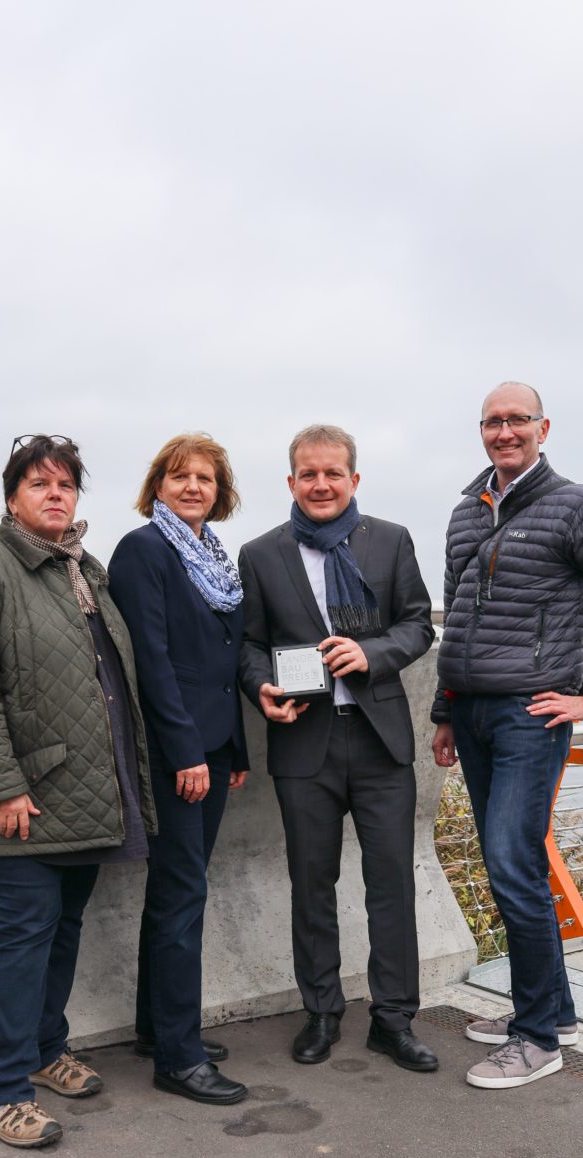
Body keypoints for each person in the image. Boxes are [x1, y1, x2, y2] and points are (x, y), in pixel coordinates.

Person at [432, 382, 583, 1088]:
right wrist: (445, 711)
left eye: (517, 420)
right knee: (519, 865)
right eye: (493, 421)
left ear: (543, 427)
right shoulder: (465, 511)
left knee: (508, 862)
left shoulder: (578, 506)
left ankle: (537, 1039)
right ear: (481, 431)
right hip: (472, 714)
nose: (505, 431)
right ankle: (552, 1009)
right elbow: (459, 621)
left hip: (531, 715)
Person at [0, 434, 157, 1147]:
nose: (55, 495)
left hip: (88, 793)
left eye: (66, 485)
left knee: (61, 928)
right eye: (39, 485)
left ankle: (43, 1047)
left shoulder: (84, 568)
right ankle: (0, 1088)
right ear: (11, 498)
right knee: (21, 934)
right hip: (25, 799)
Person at [239, 424, 439, 1072]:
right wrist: (260, 685)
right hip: (304, 742)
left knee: (391, 886)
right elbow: (245, 645)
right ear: (291, 481)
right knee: (311, 885)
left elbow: (418, 624)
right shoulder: (262, 554)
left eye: (333, 473)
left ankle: (394, 1018)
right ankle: (321, 1011)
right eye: (307, 473)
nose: (320, 484)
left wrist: (372, 653)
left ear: (355, 479)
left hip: (381, 742)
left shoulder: (391, 540)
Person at [108, 435, 250, 1105]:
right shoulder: (144, 551)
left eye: (206, 477)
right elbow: (153, 663)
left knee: (179, 888)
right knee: (181, 894)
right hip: (178, 755)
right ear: (157, 484)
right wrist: (188, 751)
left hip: (216, 749)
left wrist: (236, 750)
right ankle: (179, 1055)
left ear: (220, 491)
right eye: (179, 475)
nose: (193, 486)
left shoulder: (215, 558)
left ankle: (155, 1028)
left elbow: (224, 661)